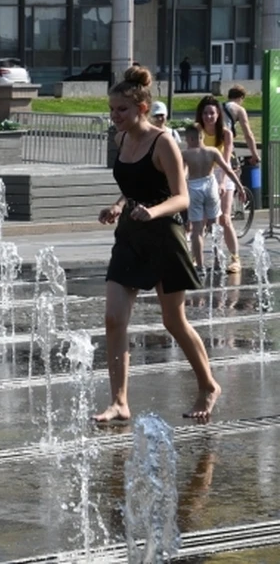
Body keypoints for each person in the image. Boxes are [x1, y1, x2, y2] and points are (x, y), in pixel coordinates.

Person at [95, 66, 220, 423]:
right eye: (112, 109)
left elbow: (181, 198)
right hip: (131, 235)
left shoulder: (163, 141)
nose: (115, 116)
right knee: (113, 319)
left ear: (143, 108)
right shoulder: (121, 140)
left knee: (173, 320)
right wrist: (118, 206)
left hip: (164, 235)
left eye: (122, 110)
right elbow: (133, 184)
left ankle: (208, 386)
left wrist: (152, 212)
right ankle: (119, 402)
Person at [181, 124, 245, 269]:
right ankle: (217, 261)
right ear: (202, 136)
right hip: (211, 186)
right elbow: (227, 169)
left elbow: (182, 173)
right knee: (214, 226)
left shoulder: (185, 154)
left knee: (197, 229)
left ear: (189, 138)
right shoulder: (212, 151)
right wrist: (240, 187)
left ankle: (200, 265)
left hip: (194, 186)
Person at [196, 96, 241, 274]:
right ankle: (196, 257)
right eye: (206, 113)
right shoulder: (198, 131)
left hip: (223, 173)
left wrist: (222, 182)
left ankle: (235, 258)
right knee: (202, 221)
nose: (209, 116)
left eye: (212, 113)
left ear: (218, 114)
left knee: (224, 219)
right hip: (204, 175)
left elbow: (226, 160)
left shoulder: (225, 133)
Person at [223, 85, 261, 165]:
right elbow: (248, 135)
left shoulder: (218, 106)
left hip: (210, 143)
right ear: (241, 97)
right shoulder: (239, 109)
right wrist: (255, 154)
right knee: (232, 171)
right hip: (226, 144)